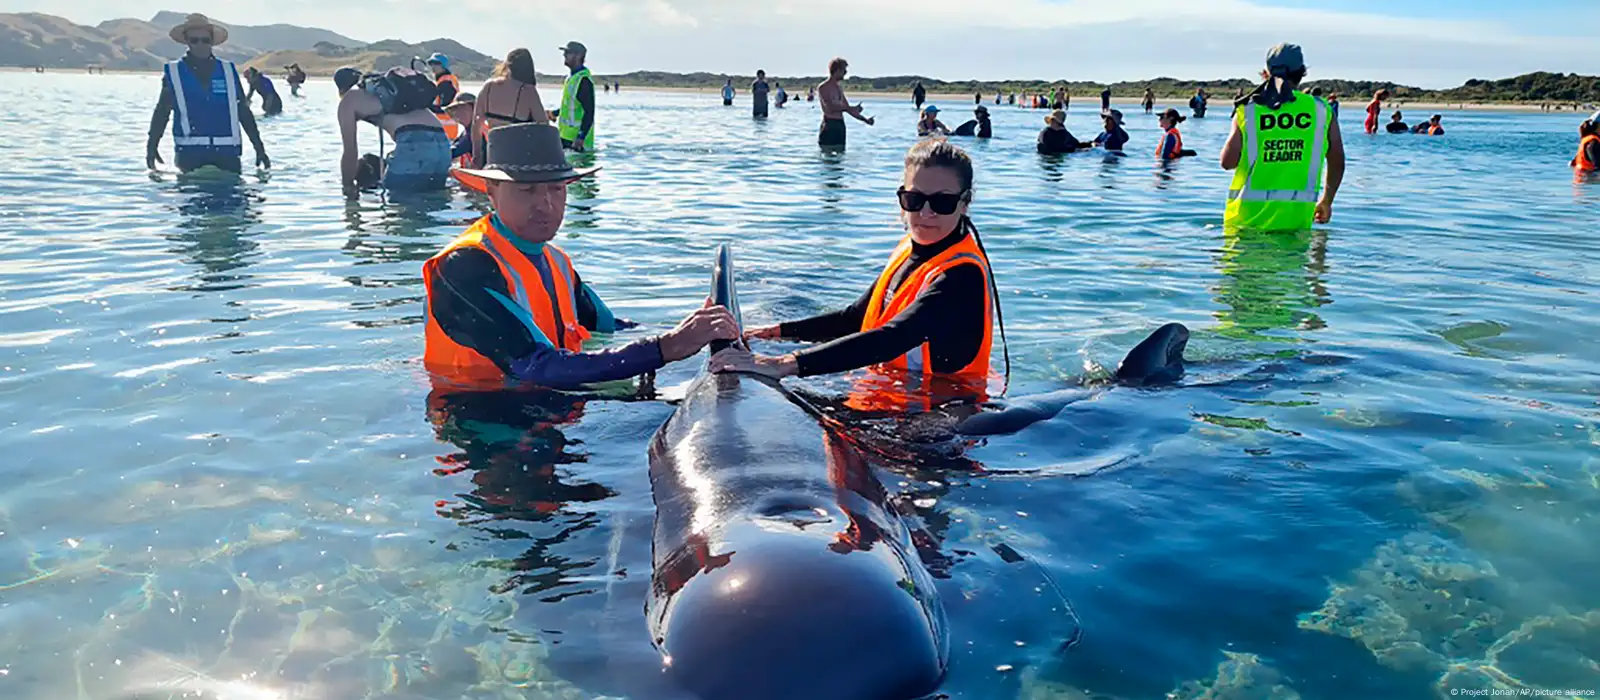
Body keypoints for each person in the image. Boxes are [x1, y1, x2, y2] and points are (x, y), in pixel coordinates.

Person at [425, 123, 739, 390]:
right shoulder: (463, 266)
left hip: (553, 407)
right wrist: (666, 347)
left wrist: (696, 331)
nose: (546, 205)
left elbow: (609, 326)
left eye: (556, 189)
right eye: (527, 191)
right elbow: (534, 365)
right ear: (491, 190)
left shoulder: (556, 261)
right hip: (479, 422)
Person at [708, 139, 999, 403]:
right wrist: (777, 333)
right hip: (891, 393)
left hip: (938, 419)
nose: (925, 213)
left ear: (965, 203)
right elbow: (854, 319)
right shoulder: (911, 250)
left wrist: (783, 364)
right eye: (914, 200)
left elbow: (893, 337)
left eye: (942, 202)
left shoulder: (961, 276)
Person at [1220, 43, 1346, 231]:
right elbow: (1337, 161)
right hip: (1294, 225)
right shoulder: (1321, 110)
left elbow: (1227, 162)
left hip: (1244, 224)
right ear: (1303, 72)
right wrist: (1327, 201)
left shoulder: (1248, 110)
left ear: (1266, 73)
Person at [145, 14, 269, 174]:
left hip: (227, 154)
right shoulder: (174, 73)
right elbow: (162, 111)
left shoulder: (228, 71)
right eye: (194, 40)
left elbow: (243, 111)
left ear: (211, 41)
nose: (200, 45)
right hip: (190, 155)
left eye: (205, 40)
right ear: (187, 42)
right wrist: (152, 145)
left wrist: (259, 147)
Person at [335, 65, 452, 195]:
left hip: (414, 143)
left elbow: (350, 151)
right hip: (443, 143)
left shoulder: (348, 101)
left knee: (400, 207)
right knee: (434, 201)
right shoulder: (388, 90)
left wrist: (348, 187)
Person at [473, 49, 550, 170]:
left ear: (506, 65)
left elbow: (476, 124)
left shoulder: (488, 86)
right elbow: (544, 128)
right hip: (520, 160)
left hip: (493, 157)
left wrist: (477, 156)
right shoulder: (528, 91)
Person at [817, 57, 874, 148]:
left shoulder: (838, 88)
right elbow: (831, 108)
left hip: (840, 125)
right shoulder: (823, 87)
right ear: (837, 70)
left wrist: (865, 120)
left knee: (840, 154)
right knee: (827, 155)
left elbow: (847, 108)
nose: (845, 73)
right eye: (844, 70)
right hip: (829, 125)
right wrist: (850, 108)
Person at [551, 41, 596, 152]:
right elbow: (571, 106)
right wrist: (554, 113)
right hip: (565, 137)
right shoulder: (571, 78)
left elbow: (589, 112)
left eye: (568, 52)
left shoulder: (583, 80)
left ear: (578, 56)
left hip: (577, 143)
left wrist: (581, 137)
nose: (564, 55)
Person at [442, 94, 477, 164]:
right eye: (455, 110)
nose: (458, 113)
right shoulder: (465, 132)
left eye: (463, 109)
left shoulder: (475, 132)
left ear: (474, 110)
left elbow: (454, 151)